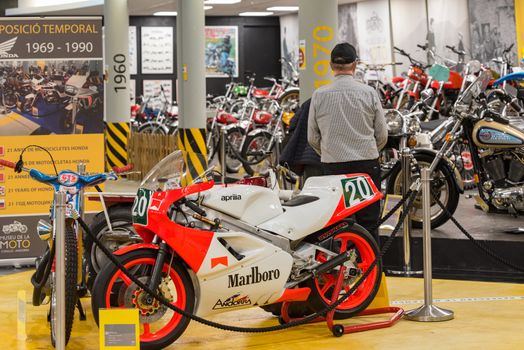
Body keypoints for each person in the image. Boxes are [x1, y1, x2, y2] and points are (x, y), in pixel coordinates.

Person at [307, 42, 387, 244]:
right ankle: (371, 268)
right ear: (355, 65)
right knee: (368, 223)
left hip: (333, 167)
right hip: (366, 166)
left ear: (331, 65)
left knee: (336, 223)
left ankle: (338, 270)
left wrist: (329, 152)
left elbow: (312, 137)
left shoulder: (319, 95)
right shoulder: (368, 93)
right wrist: (368, 150)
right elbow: (382, 134)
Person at [279, 98, 323, 180]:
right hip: (332, 158)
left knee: (313, 189)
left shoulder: (313, 99)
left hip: (309, 157)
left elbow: (293, 123)